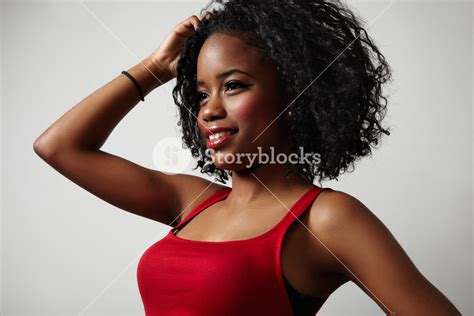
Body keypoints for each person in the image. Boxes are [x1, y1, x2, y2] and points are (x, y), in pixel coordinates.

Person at [33, 0, 461, 315]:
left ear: (293, 95)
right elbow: (58, 147)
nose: (207, 109)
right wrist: (157, 67)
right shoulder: (192, 201)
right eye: (200, 93)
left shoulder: (324, 219)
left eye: (233, 85)